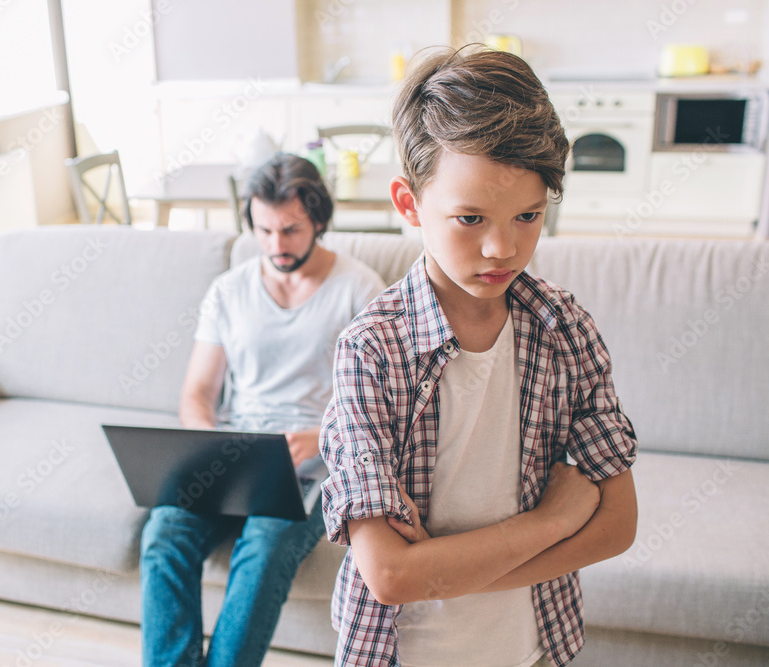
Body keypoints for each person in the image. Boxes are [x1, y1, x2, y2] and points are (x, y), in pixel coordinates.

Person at [319, 46, 639, 666]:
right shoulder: (372, 350)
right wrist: (551, 521)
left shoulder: (566, 330)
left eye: (527, 216)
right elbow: (390, 577)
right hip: (402, 652)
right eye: (470, 218)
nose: (502, 247)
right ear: (409, 204)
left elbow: (616, 527)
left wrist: (437, 568)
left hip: (531, 645)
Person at [139, 153, 386, 667]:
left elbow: (384, 402)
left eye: (291, 230)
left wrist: (321, 436)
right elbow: (197, 392)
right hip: (233, 457)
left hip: (315, 465)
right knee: (164, 532)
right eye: (264, 230)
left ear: (318, 220)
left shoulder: (360, 289)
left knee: (265, 546)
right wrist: (206, 443)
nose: (276, 245)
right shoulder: (228, 291)